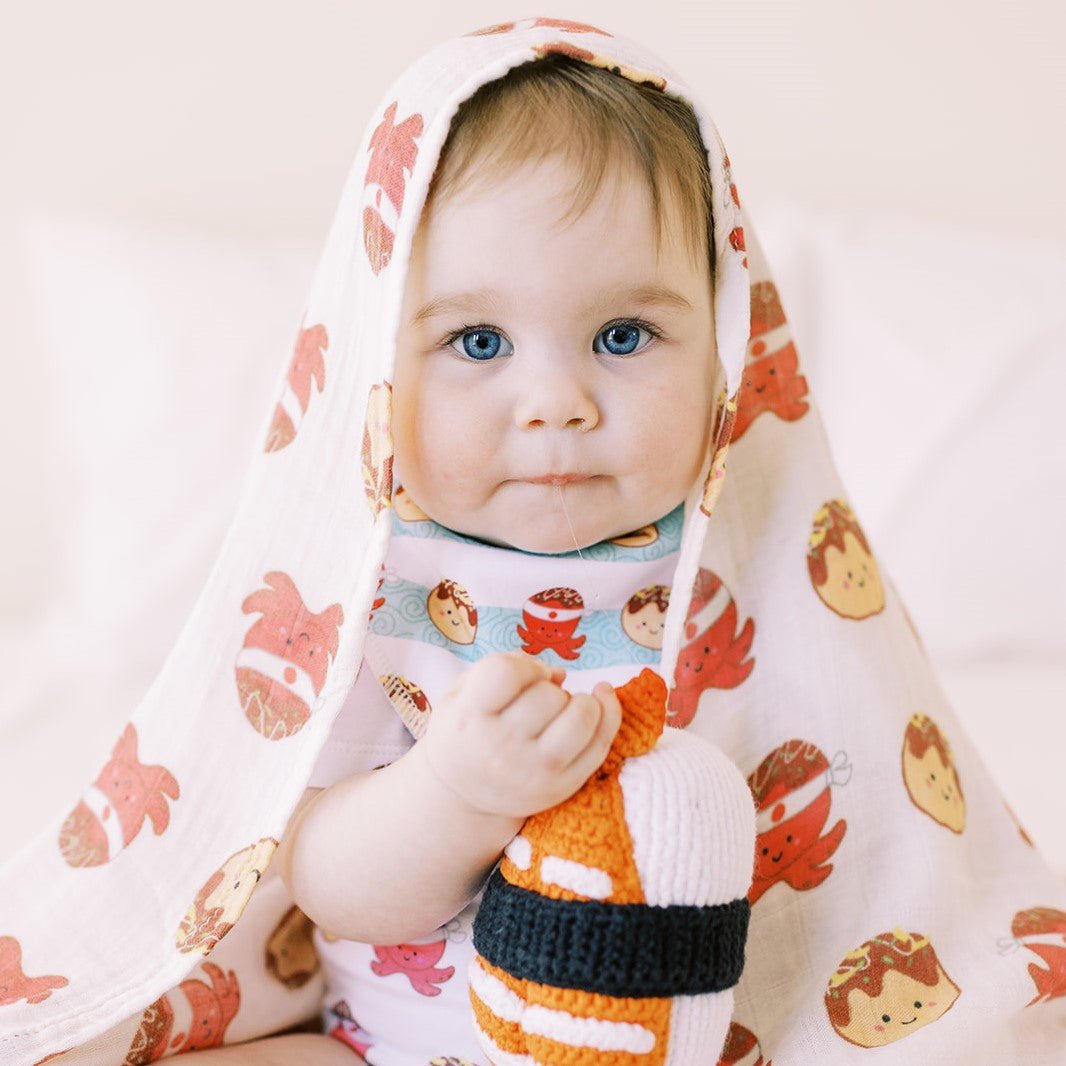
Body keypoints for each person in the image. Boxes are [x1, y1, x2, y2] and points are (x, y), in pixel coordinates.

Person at [5, 18, 1065, 1066]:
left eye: (622, 336)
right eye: (476, 342)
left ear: (724, 345)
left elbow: (882, 840)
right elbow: (322, 882)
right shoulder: (367, 586)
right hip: (383, 1043)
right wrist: (454, 793)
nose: (555, 402)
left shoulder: (765, 569)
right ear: (378, 358)